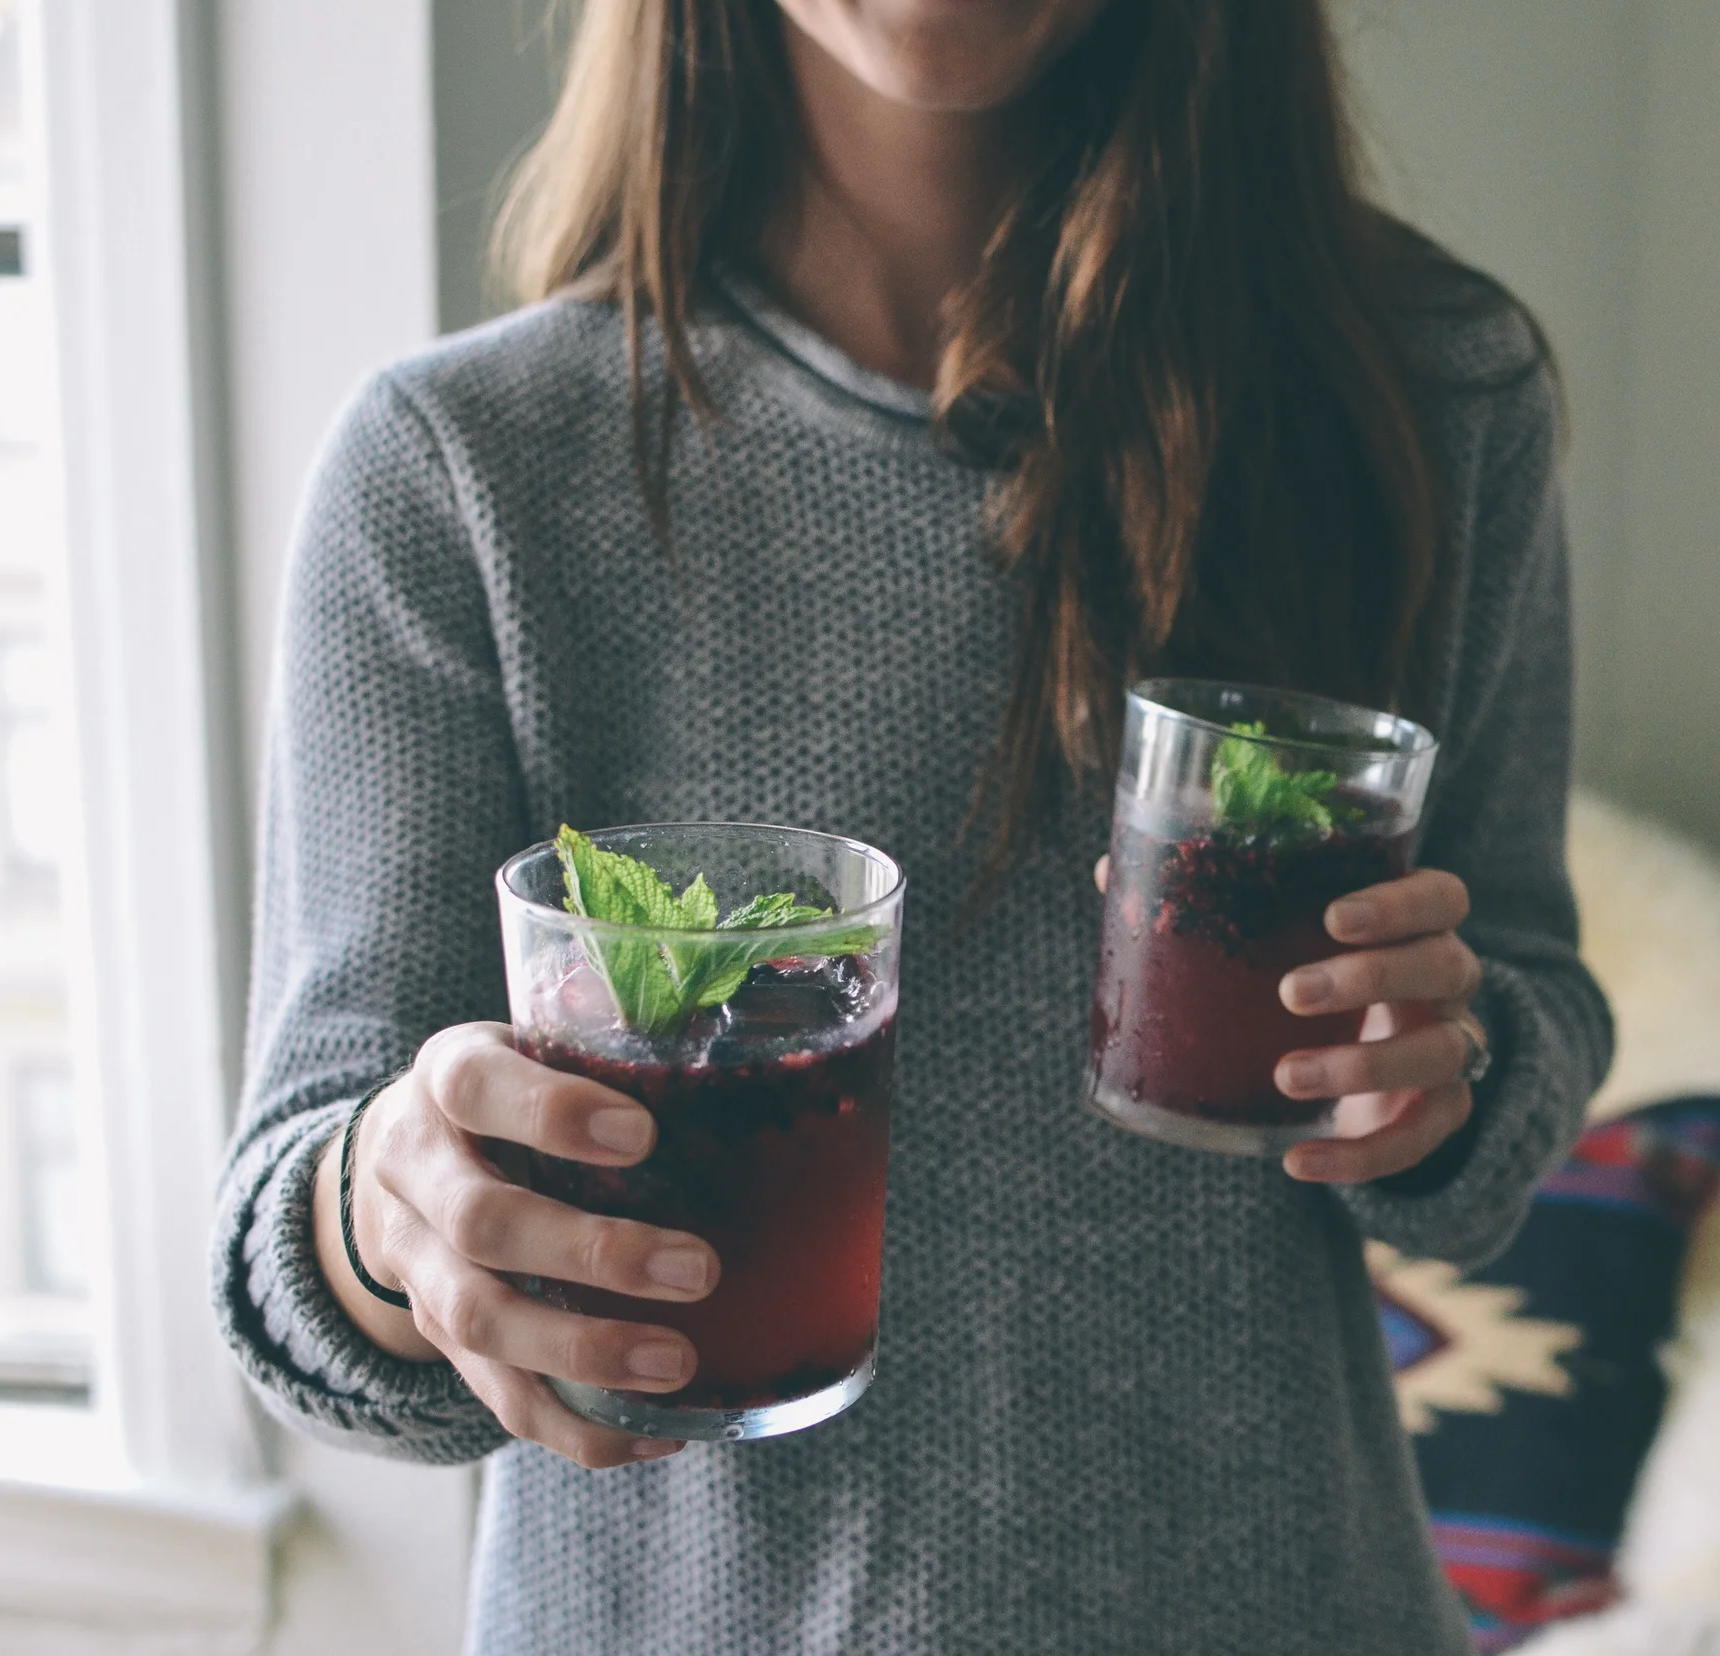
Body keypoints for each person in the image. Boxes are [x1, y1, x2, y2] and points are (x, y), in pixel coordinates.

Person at [210, 1, 1612, 1651]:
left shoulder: (1431, 398)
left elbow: (1524, 1015)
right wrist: (391, 1213)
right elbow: (288, 1245)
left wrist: (1445, 1078)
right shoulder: (460, 474)